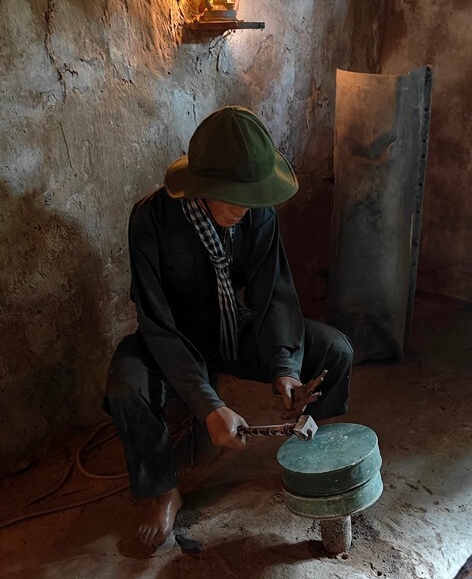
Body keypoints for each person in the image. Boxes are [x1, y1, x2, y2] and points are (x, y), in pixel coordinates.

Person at [104, 106, 353, 548]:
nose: (242, 208)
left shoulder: (258, 215)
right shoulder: (151, 219)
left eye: (250, 197)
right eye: (232, 196)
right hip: (172, 338)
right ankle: (163, 491)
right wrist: (208, 405)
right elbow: (156, 321)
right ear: (201, 186)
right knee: (127, 385)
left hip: (231, 327)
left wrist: (284, 368)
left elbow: (273, 295)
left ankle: (314, 458)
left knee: (335, 350)